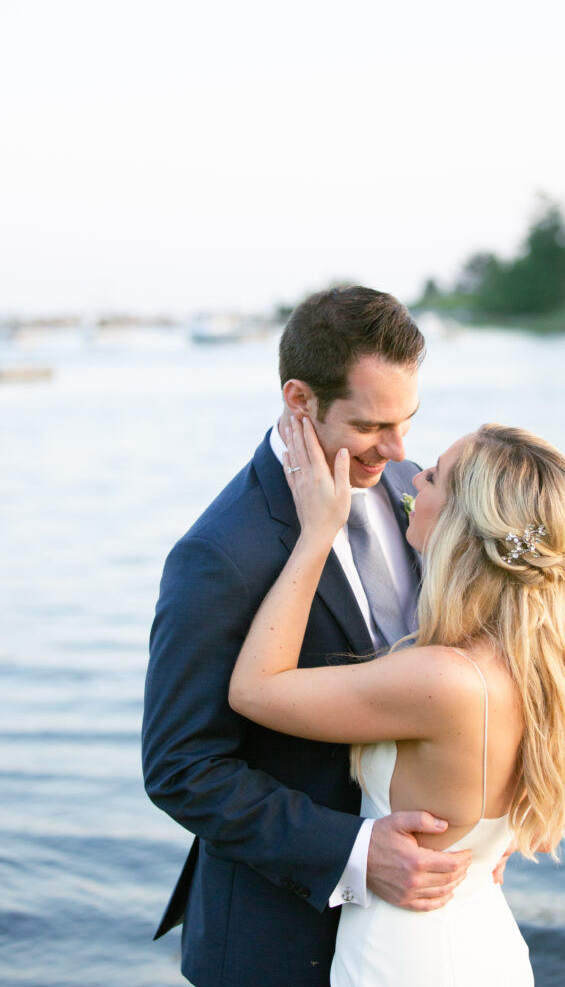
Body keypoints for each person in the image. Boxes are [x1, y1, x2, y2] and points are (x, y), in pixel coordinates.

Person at [142, 286, 474, 987]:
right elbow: (181, 766)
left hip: (420, 928)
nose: (397, 449)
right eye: (370, 425)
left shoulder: (418, 490)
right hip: (276, 942)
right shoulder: (221, 552)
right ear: (299, 400)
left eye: (406, 420)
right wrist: (354, 850)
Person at [229, 417, 565, 986]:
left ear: (460, 523)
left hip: (409, 958)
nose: (411, 484)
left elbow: (255, 689)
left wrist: (316, 535)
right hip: (480, 940)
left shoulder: (444, 680)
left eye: (433, 477)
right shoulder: (536, 662)